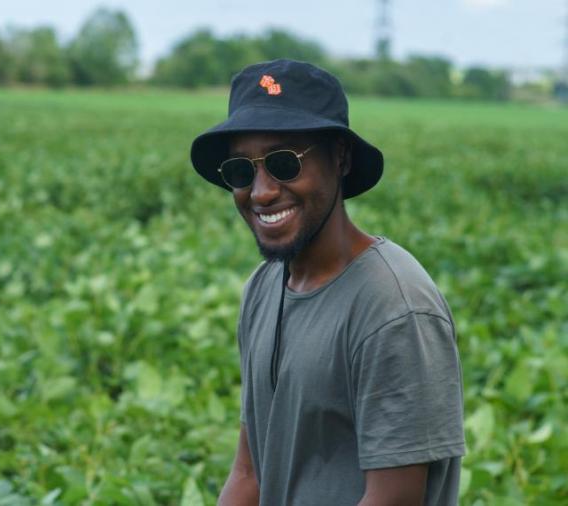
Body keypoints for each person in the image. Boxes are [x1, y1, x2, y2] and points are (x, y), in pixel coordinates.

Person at [189, 59, 465, 505]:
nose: (260, 191)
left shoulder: (393, 307)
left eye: (283, 163)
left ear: (340, 157)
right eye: (241, 170)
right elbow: (249, 472)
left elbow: (391, 501)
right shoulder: (264, 287)